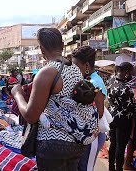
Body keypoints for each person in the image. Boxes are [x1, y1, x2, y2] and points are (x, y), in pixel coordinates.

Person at [11, 28, 87, 171]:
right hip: (76, 141)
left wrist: (17, 94)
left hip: (53, 144)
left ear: (42, 49)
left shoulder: (47, 72)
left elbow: (31, 116)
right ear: (62, 46)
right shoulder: (76, 70)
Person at [72, 46, 107, 171]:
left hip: (93, 135)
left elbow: (100, 112)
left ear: (86, 66)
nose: (73, 69)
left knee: (85, 168)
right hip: (87, 133)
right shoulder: (88, 80)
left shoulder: (95, 83)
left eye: (76, 66)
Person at [107, 62, 136, 171]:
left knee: (113, 144)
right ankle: (118, 168)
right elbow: (129, 107)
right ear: (127, 72)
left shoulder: (111, 81)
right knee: (121, 146)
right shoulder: (126, 88)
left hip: (111, 116)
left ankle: (111, 167)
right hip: (123, 119)